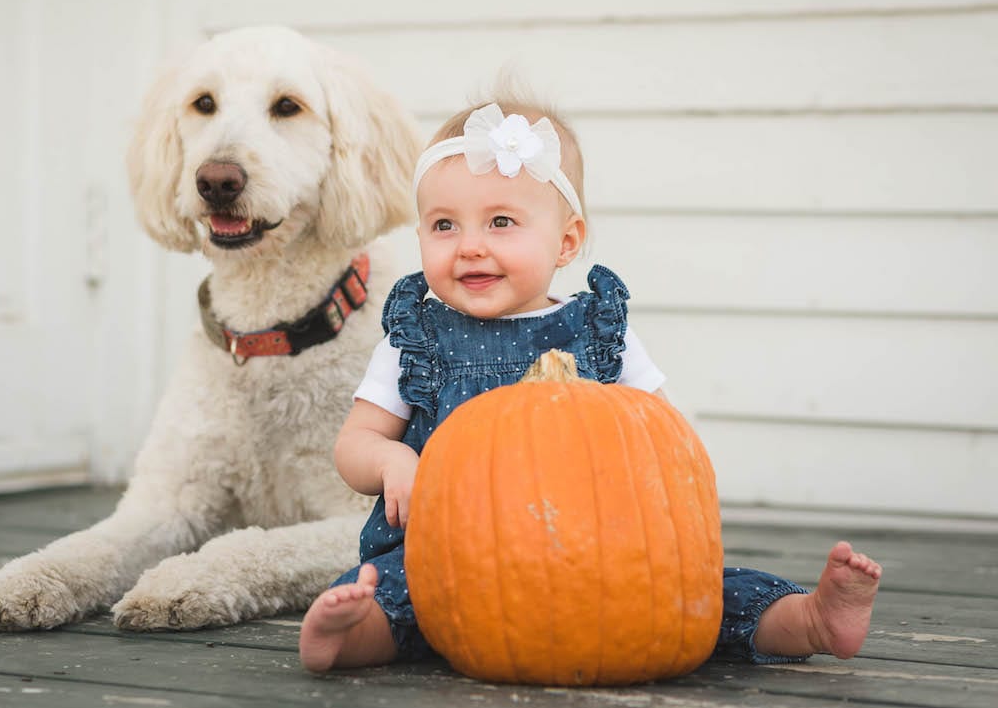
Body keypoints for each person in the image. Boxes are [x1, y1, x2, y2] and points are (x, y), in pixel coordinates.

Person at [299, 96, 882, 673]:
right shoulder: (415, 338)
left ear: (567, 241)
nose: (470, 245)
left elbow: (668, 440)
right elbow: (354, 445)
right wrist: (391, 461)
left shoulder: (599, 332)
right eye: (444, 225)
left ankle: (807, 619)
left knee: (700, 595)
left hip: (598, 552)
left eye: (501, 222)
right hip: (449, 557)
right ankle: (348, 635)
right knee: (389, 592)